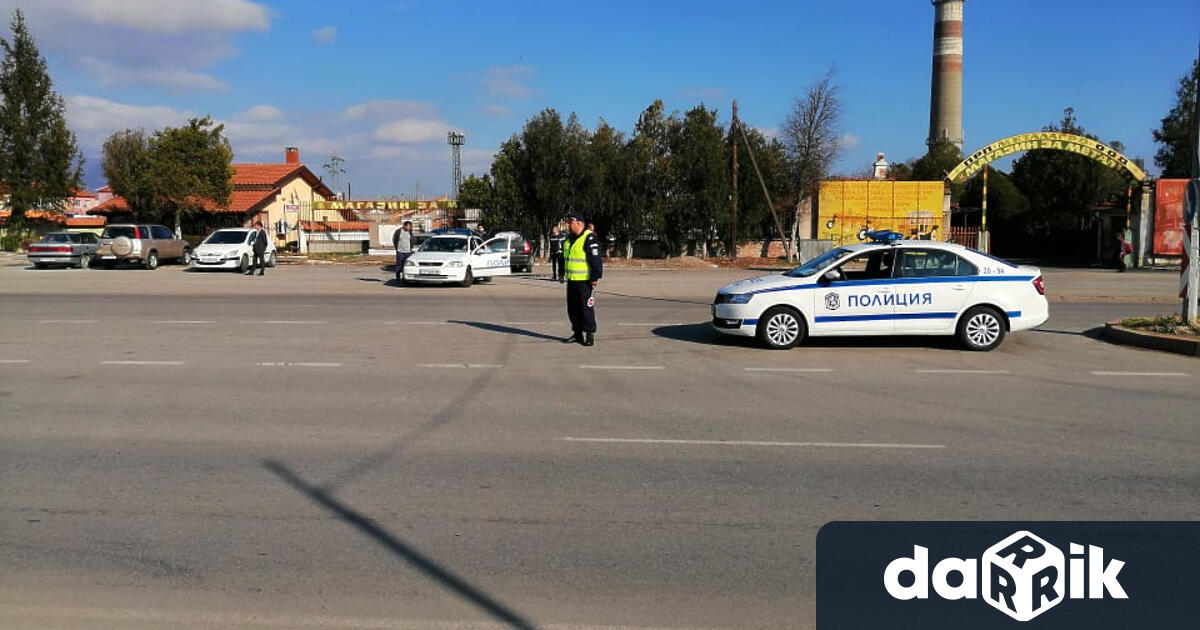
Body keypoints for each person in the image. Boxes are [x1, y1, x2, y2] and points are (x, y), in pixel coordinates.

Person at [562, 212, 602, 346]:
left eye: (570, 222)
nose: (568, 225)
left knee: (586, 309)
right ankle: (577, 334)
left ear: (579, 224)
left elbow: (595, 259)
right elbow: (565, 258)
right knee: (572, 309)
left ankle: (589, 334)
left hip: (585, 281)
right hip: (572, 280)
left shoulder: (588, 238)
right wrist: (562, 272)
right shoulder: (568, 239)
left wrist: (595, 276)